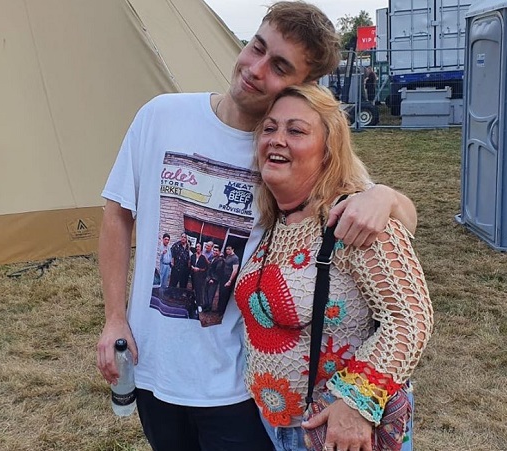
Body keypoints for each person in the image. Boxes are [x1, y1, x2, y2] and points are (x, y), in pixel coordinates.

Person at [96, 2, 419, 450]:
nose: (255, 68)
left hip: (239, 388)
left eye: (280, 66)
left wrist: (383, 195)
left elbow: (395, 215)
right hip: (153, 372)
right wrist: (114, 318)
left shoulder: (290, 146)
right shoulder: (160, 116)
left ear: (302, 86)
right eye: (257, 47)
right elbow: (117, 214)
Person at [234, 83, 433, 451]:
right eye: (270, 128)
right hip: (273, 426)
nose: (277, 139)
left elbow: (411, 319)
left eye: (295, 130)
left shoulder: (355, 217)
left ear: (328, 150)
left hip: (338, 433)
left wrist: (356, 404)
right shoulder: (271, 221)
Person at [216, 245, 240, 315]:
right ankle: (218, 309)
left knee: (224, 295)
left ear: (233, 249)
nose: (227, 250)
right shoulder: (228, 256)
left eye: (229, 249)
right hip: (223, 277)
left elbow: (235, 270)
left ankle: (222, 311)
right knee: (220, 293)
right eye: (226, 249)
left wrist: (230, 281)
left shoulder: (235, 258)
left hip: (228, 277)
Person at [205, 245, 225, 313]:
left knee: (210, 294)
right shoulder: (213, 258)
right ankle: (206, 306)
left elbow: (218, 271)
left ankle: (209, 308)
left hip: (213, 280)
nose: (214, 252)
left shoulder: (220, 260)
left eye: (216, 251)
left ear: (219, 252)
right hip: (209, 278)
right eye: (214, 250)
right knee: (206, 293)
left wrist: (213, 279)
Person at [190, 243, 209, 311]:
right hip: (193, 275)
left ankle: (199, 304)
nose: (197, 248)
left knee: (199, 290)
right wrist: (192, 267)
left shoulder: (203, 257)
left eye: (199, 247)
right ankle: (193, 301)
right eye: (196, 247)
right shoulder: (193, 256)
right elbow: (190, 264)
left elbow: (205, 268)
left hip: (200, 276)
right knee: (193, 289)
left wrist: (199, 269)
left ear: (201, 248)